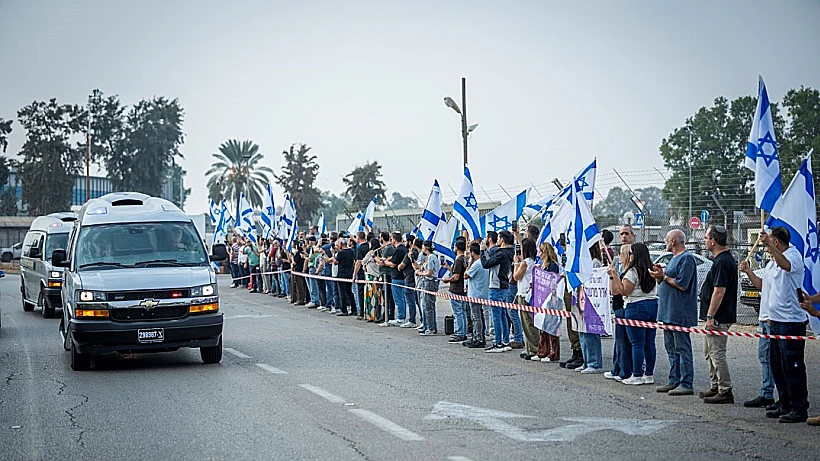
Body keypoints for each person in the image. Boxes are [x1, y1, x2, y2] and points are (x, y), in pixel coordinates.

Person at [741, 227, 809, 422]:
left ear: (776, 242)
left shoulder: (793, 256)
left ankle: (799, 407)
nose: (766, 245)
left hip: (791, 321)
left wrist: (769, 245)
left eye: (770, 241)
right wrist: (749, 272)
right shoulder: (772, 263)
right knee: (777, 365)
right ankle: (784, 402)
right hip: (775, 321)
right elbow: (764, 286)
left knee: (792, 366)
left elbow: (787, 266)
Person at [649, 229, 697, 396]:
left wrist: (664, 277)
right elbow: (668, 281)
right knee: (671, 349)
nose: (665, 242)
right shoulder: (673, 259)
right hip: (668, 311)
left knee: (682, 348)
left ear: (674, 241)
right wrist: (659, 276)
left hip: (679, 312)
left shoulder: (687, 259)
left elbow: (682, 284)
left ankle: (686, 382)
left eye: (667, 239)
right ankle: (674, 380)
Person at [698, 225, 738, 404]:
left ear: (713, 241)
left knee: (717, 353)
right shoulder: (721, 260)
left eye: (706, 238)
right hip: (716, 317)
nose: (704, 241)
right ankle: (715, 386)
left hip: (718, 318)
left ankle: (725, 389)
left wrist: (710, 316)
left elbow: (719, 291)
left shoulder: (722, 262)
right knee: (709, 352)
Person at [608, 243, 658, 385]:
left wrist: (614, 275)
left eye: (630, 253)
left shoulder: (632, 272)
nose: (629, 256)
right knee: (649, 342)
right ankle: (649, 374)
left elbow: (624, 291)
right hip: (652, 304)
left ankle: (637, 374)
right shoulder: (652, 270)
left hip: (635, 306)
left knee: (637, 343)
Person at [481, 230, 515, 353]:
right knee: (503, 315)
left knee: (496, 316)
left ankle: (498, 343)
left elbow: (486, 264)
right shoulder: (509, 252)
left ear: (502, 240)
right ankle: (505, 341)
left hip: (496, 286)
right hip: (504, 286)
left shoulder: (501, 254)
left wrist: (482, 251)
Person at [605, 244, 632, 381]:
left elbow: (620, 291)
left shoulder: (629, 273)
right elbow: (612, 291)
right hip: (617, 306)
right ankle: (617, 368)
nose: (619, 256)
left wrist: (614, 276)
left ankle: (624, 370)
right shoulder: (623, 270)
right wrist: (612, 276)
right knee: (619, 342)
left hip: (623, 307)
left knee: (623, 342)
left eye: (621, 253)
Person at [576, 244, 604, 374]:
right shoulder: (582, 263)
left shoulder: (595, 262)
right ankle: (586, 361)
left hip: (591, 301)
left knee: (591, 333)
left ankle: (594, 362)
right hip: (581, 298)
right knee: (582, 331)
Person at [512, 238, 539, 360]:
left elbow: (516, 276)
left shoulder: (525, 263)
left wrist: (516, 263)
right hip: (526, 293)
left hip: (524, 294)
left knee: (527, 323)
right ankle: (529, 347)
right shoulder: (532, 261)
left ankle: (533, 348)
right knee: (527, 322)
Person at [463, 242, 489, 348]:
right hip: (483, 292)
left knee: (476, 317)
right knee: (480, 316)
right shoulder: (484, 262)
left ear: (473, 253)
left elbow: (466, 275)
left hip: (475, 293)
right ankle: (478, 336)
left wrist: (470, 263)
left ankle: (478, 338)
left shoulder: (476, 264)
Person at [380, 233, 409, 326]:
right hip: (402, 276)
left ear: (395, 240)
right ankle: (402, 316)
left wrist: (385, 262)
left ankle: (401, 317)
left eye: (392, 239)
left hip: (397, 276)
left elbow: (393, 264)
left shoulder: (398, 249)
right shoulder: (403, 248)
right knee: (401, 298)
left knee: (398, 299)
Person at [442, 240, 468, 343]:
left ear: (457, 247)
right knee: (462, 312)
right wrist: (449, 268)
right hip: (462, 289)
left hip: (456, 289)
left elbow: (456, 276)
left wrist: (447, 280)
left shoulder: (458, 260)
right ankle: (463, 331)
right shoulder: (464, 259)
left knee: (458, 312)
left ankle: (460, 332)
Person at [416, 240, 440, 336]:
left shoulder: (431, 257)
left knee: (428, 305)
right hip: (429, 282)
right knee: (427, 305)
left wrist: (421, 273)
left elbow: (429, 272)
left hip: (430, 282)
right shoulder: (428, 257)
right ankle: (428, 326)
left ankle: (431, 328)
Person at [332, 237, 356, 316]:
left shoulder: (341, 253)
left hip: (342, 274)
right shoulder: (351, 251)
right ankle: (354, 309)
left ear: (341, 244)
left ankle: (344, 310)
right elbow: (353, 262)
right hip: (349, 273)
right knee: (349, 291)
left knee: (342, 292)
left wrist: (333, 254)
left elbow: (335, 262)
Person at [377, 231, 395, 324]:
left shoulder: (388, 248)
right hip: (383, 274)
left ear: (382, 238)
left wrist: (375, 258)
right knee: (385, 296)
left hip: (386, 274)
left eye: (380, 237)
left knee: (388, 296)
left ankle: (389, 314)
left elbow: (382, 262)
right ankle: (386, 314)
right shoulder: (384, 247)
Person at [353, 231, 370, 319]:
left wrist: (354, 274)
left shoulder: (360, 248)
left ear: (358, 238)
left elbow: (358, 262)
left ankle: (362, 312)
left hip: (361, 273)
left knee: (361, 293)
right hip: (369, 272)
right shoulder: (369, 246)